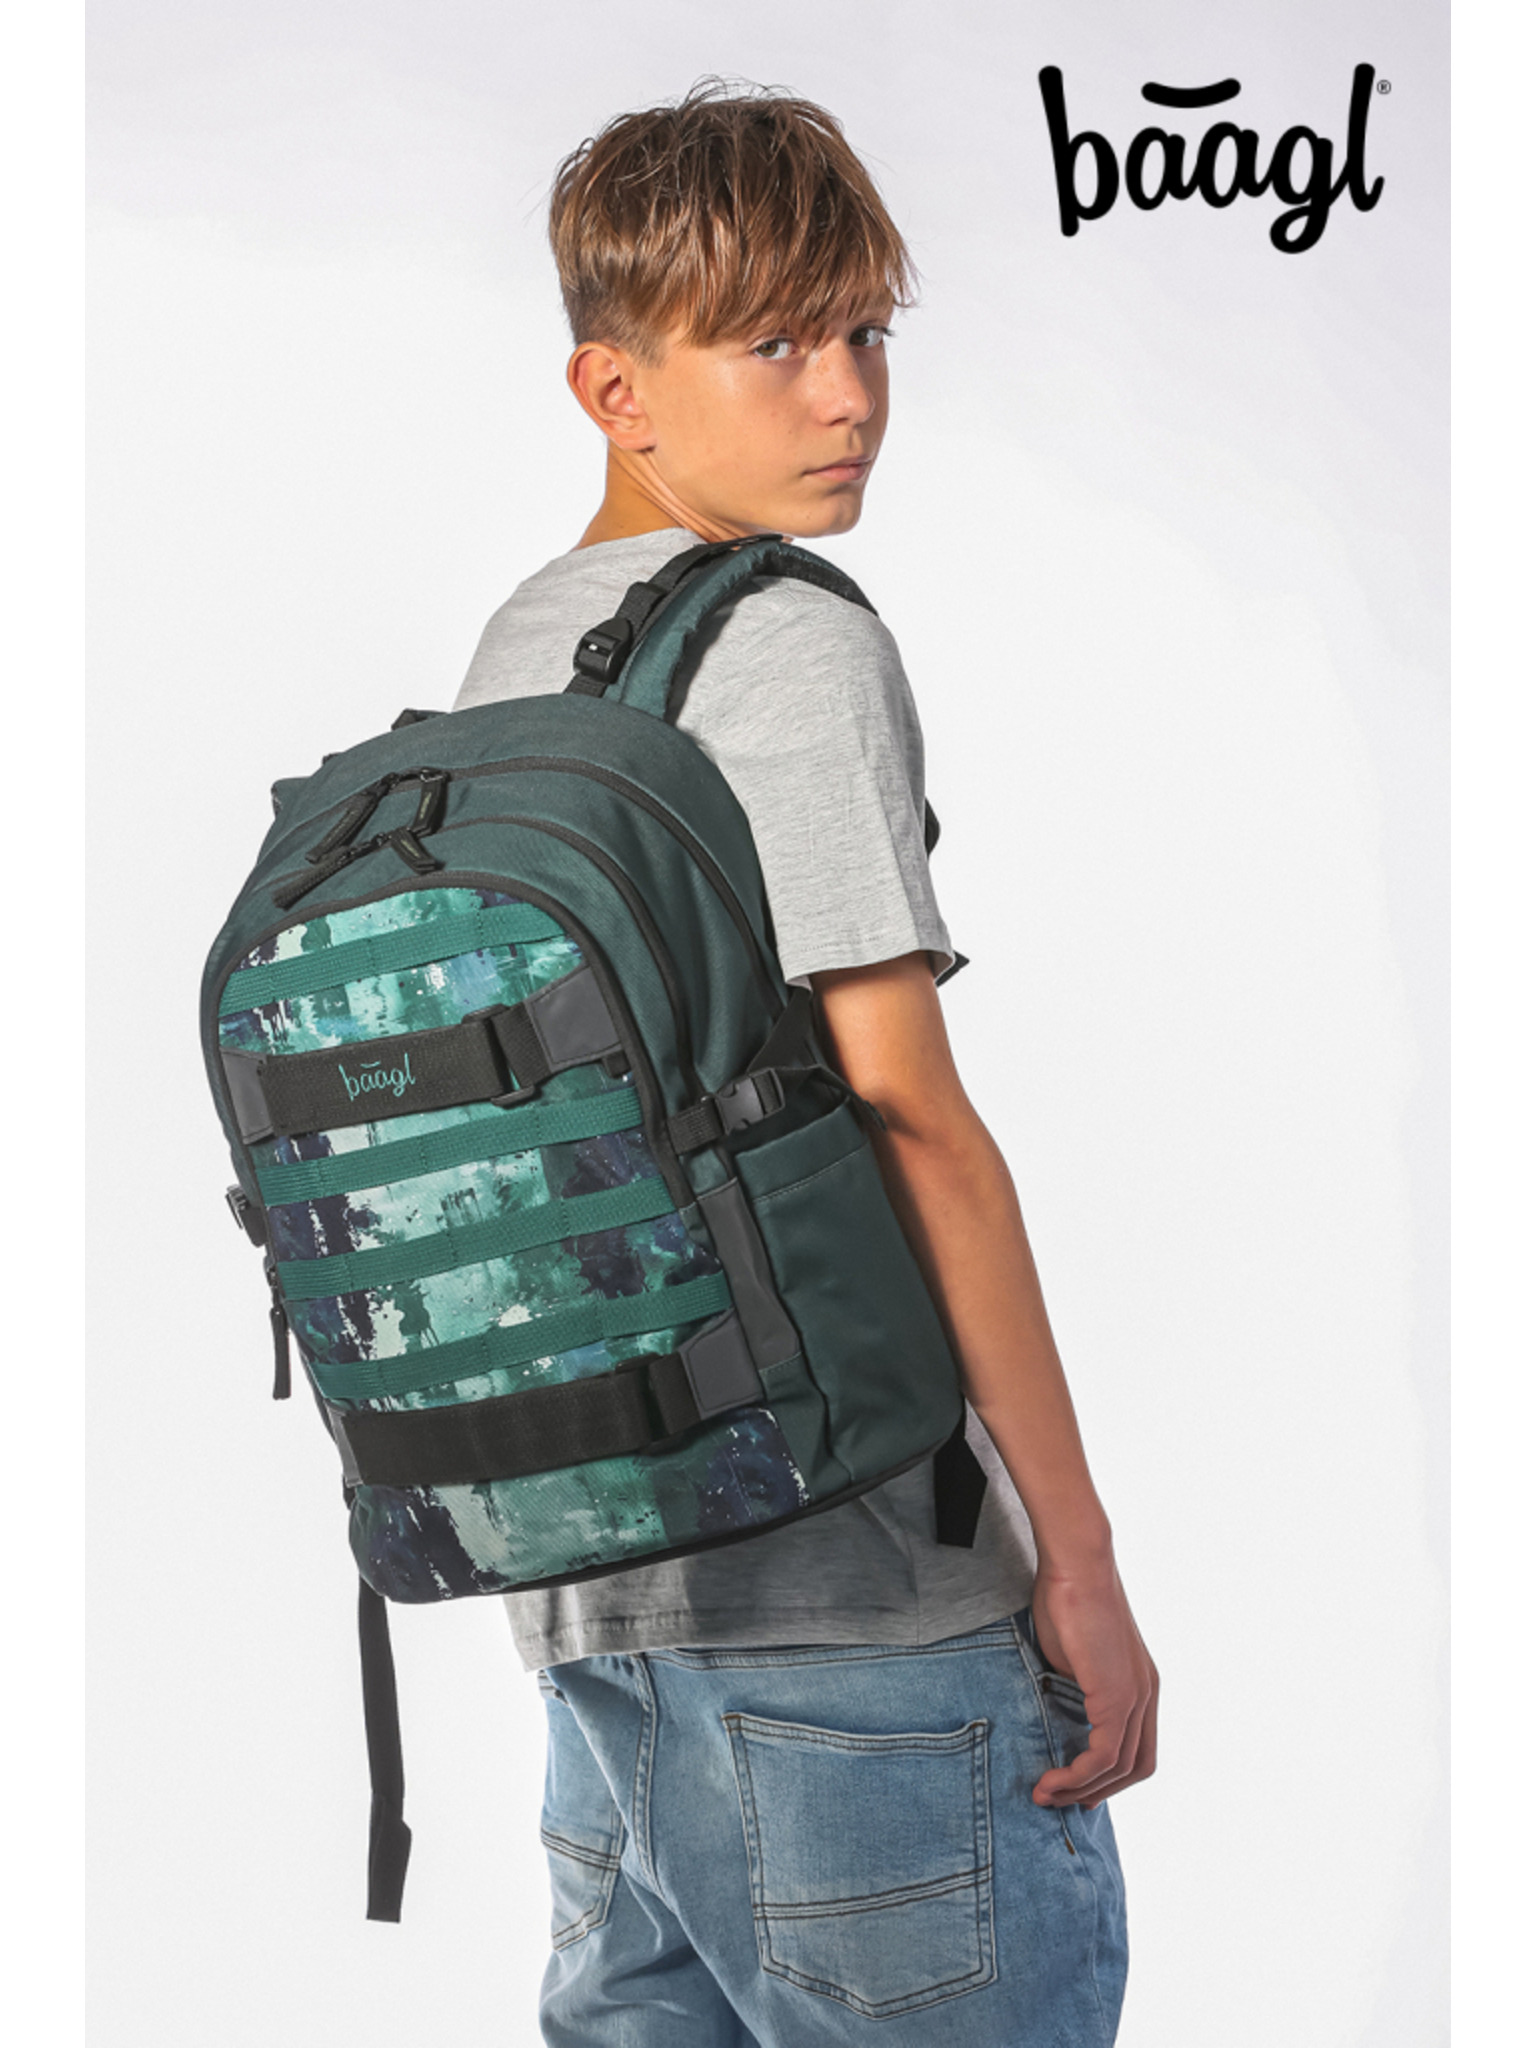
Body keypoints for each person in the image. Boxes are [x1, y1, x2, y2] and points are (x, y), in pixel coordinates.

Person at [454, 80, 1157, 2048]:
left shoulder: (519, 655)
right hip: (858, 1622)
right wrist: (1080, 1563)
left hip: (596, 1627)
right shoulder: (786, 646)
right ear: (615, 389)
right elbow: (913, 1121)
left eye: (864, 332)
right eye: (773, 343)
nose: (847, 396)